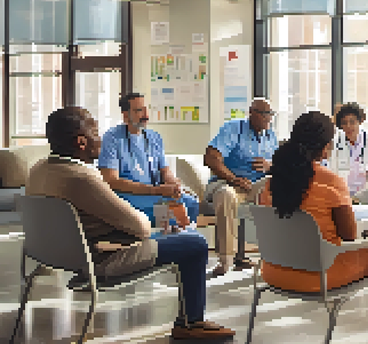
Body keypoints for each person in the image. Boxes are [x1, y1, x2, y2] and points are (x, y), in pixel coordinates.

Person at [27, 107, 234, 340]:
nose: (101, 137)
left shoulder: (38, 169)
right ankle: (191, 322)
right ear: (81, 142)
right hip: (102, 258)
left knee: (178, 231)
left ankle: (191, 320)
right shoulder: (82, 178)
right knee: (195, 243)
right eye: (95, 131)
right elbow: (142, 228)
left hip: (60, 255)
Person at [258, 111, 368, 292]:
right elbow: (349, 236)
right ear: (325, 146)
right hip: (320, 275)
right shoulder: (332, 182)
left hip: (273, 273)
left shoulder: (271, 184)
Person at [99, 93, 199, 232]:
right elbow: (111, 180)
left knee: (191, 203)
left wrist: (172, 183)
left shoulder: (154, 137)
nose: (146, 115)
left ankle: (188, 244)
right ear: (126, 115)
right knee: (168, 210)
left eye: (146, 109)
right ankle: (164, 246)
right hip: (129, 195)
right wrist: (155, 190)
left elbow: (164, 170)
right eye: (139, 110)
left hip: (154, 192)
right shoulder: (112, 138)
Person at [203, 98, 278, 275]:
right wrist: (234, 178)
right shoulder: (233, 129)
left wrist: (269, 167)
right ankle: (226, 260)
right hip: (229, 184)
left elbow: (279, 166)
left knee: (282, 186)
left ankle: (276, 256)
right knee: (225, 195)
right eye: (264, 114)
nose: (268, 118)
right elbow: (211, 158)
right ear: (252, 113)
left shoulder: (270, 135)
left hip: (256, 185)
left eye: (270, 114)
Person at [326, 102, 368, 204]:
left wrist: (358, 197)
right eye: (344, 123)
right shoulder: (335, 144)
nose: (348, 126)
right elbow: (333, 175)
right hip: (342, 198)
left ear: (360, 121)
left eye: (352, 122)